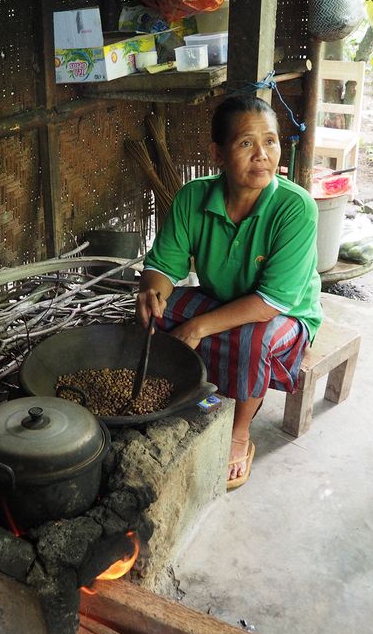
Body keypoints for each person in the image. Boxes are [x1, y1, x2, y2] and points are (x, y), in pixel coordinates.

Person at [136, 94, 322, 490]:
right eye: (245, 143)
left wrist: (199, 327)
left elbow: (271, 301)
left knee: (251, 339)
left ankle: (239, 433)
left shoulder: (295, 208)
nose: (262, 155)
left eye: (270, 141)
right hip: (222, 300)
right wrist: (152, 291)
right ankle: (181, 396)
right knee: (155, 316)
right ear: (217, 154)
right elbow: (163, 267)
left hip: (286, 313)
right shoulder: (192, 198)